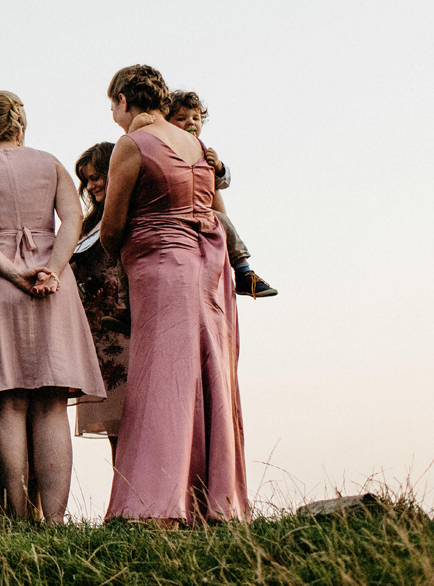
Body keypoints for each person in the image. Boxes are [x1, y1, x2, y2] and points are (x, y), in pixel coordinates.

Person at [100, 65, 249, 524]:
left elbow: (112, 225)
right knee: (209, 377)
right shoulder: (198, 145)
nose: (113, 116)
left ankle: (155, 502)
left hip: (161, 266)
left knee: (162, 378)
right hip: (208, 268)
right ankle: (214, 502)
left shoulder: (132, 145)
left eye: (112, 107)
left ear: (125, 100)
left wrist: (113, 254)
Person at [0, 91, 105, 523]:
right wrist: (51, 270)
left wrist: (8, 271)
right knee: (52, 404)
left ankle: (16, 518)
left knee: (8, 402)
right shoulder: (51, 162)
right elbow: (73, 220)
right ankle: (54, 521)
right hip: (51, 285)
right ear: (20, 124)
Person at [166, 91, 277, 298]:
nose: (190, 122)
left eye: (195, 118)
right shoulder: (166, 148)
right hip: (176, 211)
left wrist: (217, 166)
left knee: (224, 221)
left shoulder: (203, 151)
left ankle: (244, 272)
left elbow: (222, 183)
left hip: (202, 211)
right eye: (181, 118)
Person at [70, 141, 129, 457]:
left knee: (137, 415)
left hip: (128, 324)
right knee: (113, 425)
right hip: (96, 331)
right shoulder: (85, 225)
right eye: (86, 180)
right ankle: (123, 496)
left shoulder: (132, 215)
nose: (91, 186)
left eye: (96, 177)